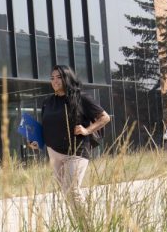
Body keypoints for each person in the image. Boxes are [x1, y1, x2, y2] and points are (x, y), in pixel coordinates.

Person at [29, 65, 111, 210]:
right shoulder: (48, 102)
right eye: (52, 78)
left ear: (67, 78)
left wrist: (87, 130)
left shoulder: (81, 98)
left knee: (72, 190)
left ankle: (87, 227)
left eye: (59, 77)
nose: (55, 81)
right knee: (67, 193)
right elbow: (46, 126)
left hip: (76, 151)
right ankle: (81, 225)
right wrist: (35, 140)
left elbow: (105, 118)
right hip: (54, 152)